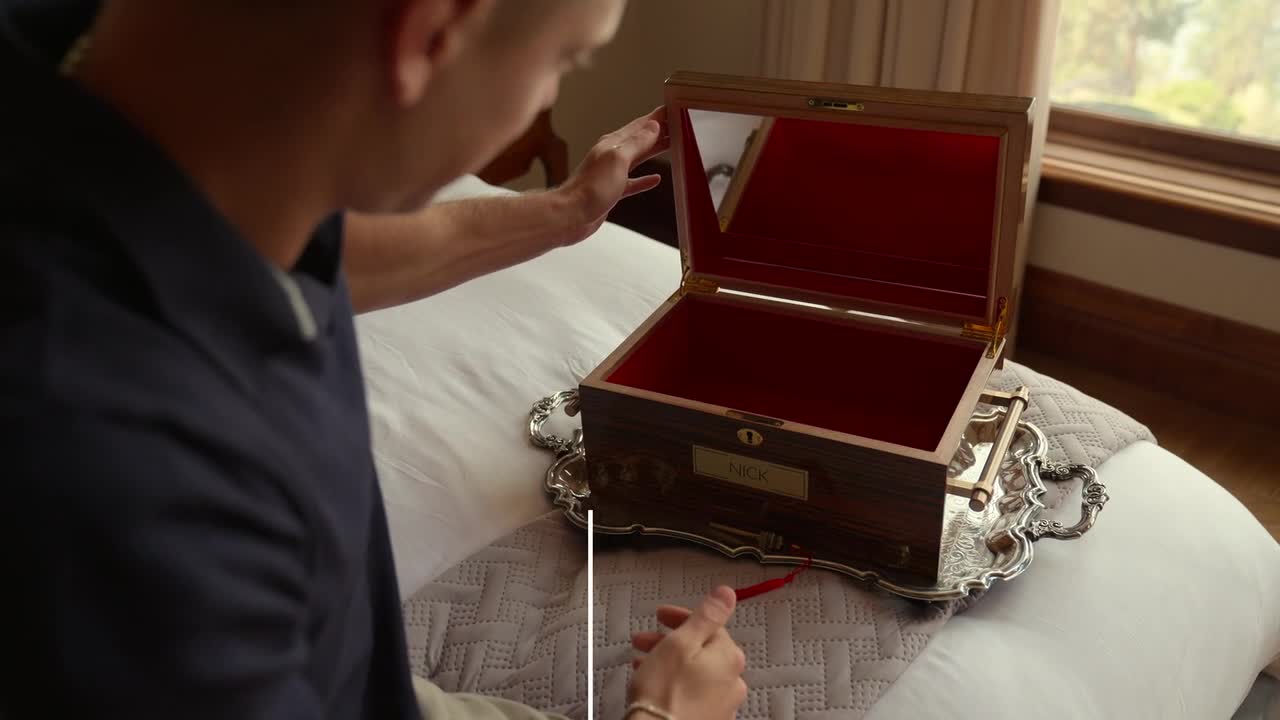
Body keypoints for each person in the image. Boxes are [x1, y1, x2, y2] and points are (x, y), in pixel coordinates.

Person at [0, 0, 747, 719]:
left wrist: (565, 212)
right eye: (563, 60)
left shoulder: (124, 88)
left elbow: (322, 252)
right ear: (428, 34)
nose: (547, 97)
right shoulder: (136, 496)